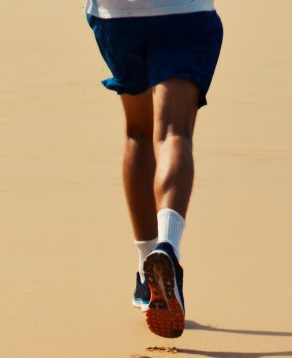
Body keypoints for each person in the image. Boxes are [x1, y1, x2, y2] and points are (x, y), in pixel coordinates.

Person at [85, 0, 223, 338]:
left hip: (117, 16)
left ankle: (147, 269)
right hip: (183, 13)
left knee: (138, 132)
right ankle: (168, 248)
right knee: (173, 132)